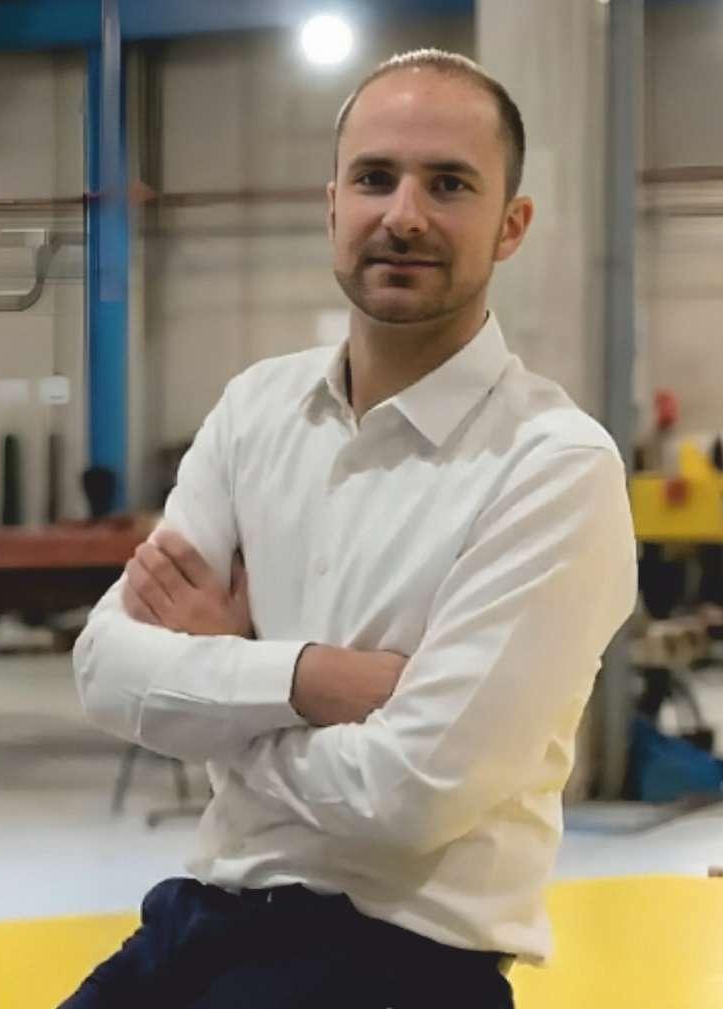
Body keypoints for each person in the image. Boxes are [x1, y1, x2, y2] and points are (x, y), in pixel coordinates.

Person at [63, 48, 637, 1009]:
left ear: (511, 225)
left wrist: (219, 688)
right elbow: (102, 668)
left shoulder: (553, 467)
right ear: (332, 206)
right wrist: (310, 678)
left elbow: (405, 797)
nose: (403, 215)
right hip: (200, 918)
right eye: (375, 178)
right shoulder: (256, 410)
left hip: (400, 962)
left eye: (448, 184)